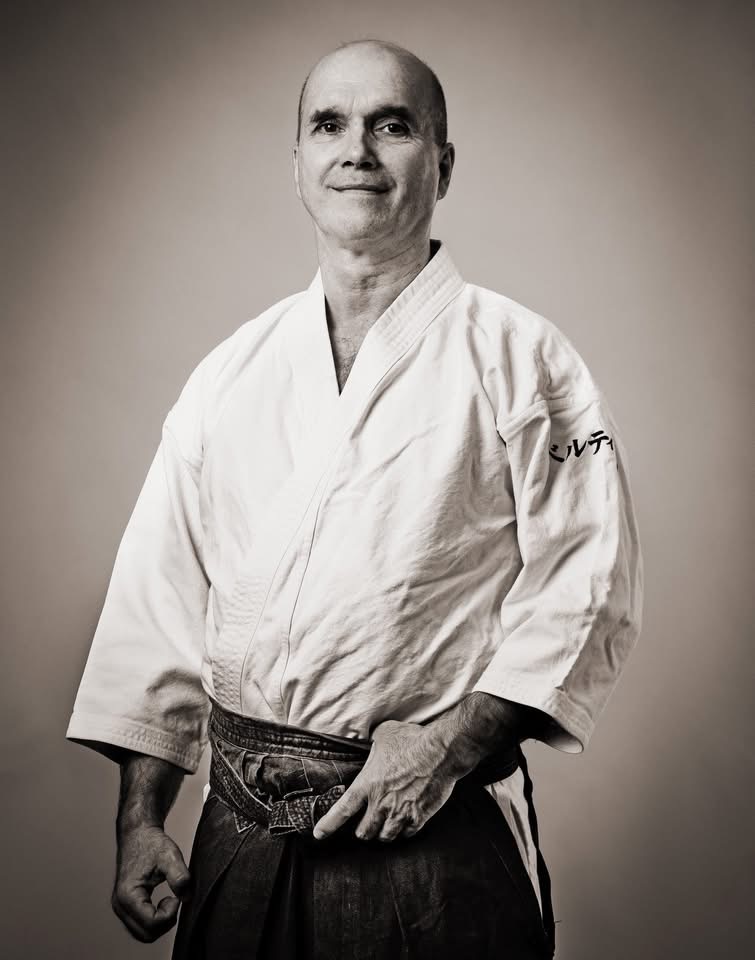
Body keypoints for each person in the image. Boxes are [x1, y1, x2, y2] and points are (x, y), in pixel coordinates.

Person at [67, 38, 643, 959]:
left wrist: (446, 751)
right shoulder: (229, 374)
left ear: (442, 165)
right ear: (297, 163)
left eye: (392, 125)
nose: (357, 151)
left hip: (434, 828)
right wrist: (139, 818)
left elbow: (588, 586)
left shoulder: (524, 359)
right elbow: (155, 604)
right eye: (329, 125)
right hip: (244, 828)